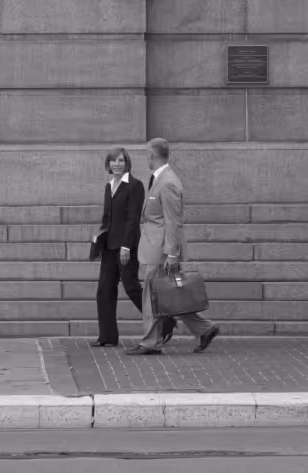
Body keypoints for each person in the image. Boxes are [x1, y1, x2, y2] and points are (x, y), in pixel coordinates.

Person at [126, 138, 220, 356]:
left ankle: (150, 342)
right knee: (169, 295)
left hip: (161, 249)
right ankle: (205, 329)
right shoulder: (159, 178)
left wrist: (171, 253)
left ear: (151, 154)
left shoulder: (167, 181)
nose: (145, 157)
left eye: (146, 153)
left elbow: (173, 220)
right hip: (157, 246)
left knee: (152, 295)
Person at [90, 147, 145, 347]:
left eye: (121, 160)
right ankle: (107, 336)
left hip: (126, 248)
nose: (117, 164)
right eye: (113, 161)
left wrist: (126, 246)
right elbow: (107, 218)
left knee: (132, 288)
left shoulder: (135, 185)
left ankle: (164, 323)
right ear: (108, 164)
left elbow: (133, 219)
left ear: (127, 162)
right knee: (104, 291)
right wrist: (99, 242)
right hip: (109, 248)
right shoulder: (109, 186)